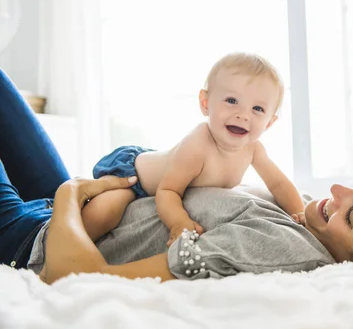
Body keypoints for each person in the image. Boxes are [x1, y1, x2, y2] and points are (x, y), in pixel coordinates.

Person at [0, 68, 353, 284]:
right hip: (75, 205)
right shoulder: (307, 221)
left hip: (33, 239)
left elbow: (80, 277)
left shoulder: (280, 252)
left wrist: (68, 197)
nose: (338, 191)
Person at [82, 53, 306, 245]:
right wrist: (179, 222)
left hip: (165, 164)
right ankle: (63, 236)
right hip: (133, 174)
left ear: (269, 122)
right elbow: (168, 191)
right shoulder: (198, 145)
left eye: (257, 108)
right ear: (205, 103)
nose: (243, 114)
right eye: (231, 100)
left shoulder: (254, 149)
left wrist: (301, 213)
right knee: (104, 214)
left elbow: (279, 184)